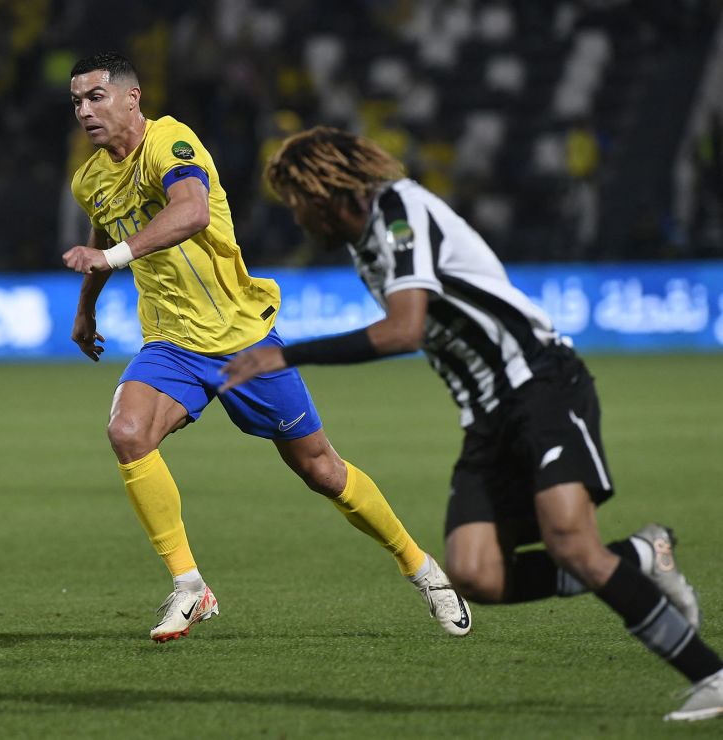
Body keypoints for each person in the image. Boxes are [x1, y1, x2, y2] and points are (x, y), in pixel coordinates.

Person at [218, 126, 723, 722]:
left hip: (537, 381)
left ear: (324, 188)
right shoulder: (363, 248)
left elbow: (404, 330)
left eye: (299, 203)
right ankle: (639, 558)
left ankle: (708, 673)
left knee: (570, 541)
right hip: (485, 412)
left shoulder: (399, 211)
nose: (298, 219)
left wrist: (289, 353)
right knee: (475, 572)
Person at [60, 53, 470, 643]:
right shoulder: (89, 178)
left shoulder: (172, 143)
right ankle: (190, 587)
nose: (85, 110)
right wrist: (85, 307)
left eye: (96, 96)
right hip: (172, 342)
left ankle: (423, 569)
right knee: (127, 431)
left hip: (241, 339)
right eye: (76, 101)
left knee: (322, 470)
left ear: (132, 98)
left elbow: (192, 211)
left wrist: (113, 257)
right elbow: (103, 229)